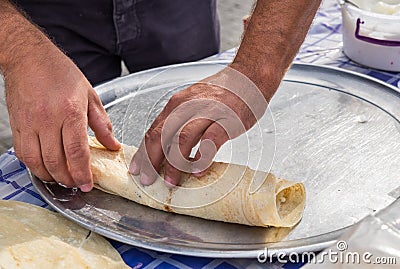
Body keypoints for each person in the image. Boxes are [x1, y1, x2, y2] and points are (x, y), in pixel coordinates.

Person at [0, 0, 322, 192]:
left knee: (195, 127)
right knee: (67, 144)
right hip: (43, 11)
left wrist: (254, 72)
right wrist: (20, 51)